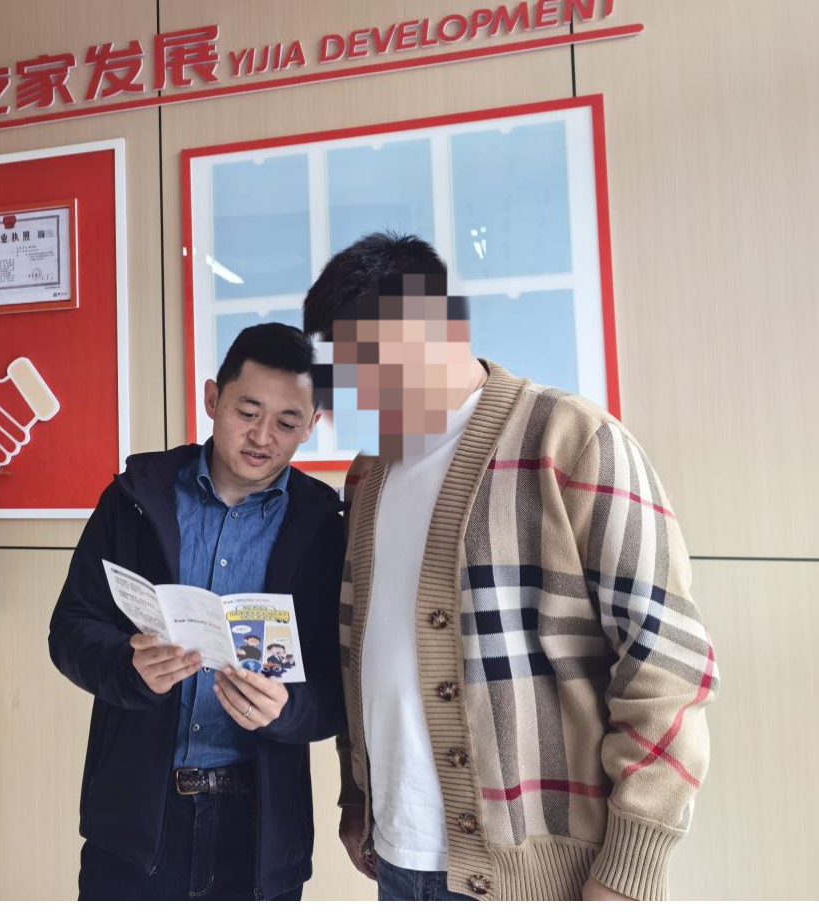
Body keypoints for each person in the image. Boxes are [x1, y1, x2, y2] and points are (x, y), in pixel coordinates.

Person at [302, 232, 719, 902]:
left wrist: (631, 865)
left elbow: (666, 662)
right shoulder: (370, 473)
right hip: (400, 858)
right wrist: (359, 796)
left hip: (546, 874)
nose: (354, 387)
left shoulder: (570, 439)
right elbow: (362, 650)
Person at [49, 322, 347, 900]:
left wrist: (286, 710)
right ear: (213, 399)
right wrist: (127, 666)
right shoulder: (137, 498)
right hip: (136, 821)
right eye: (247, 412)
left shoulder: (322, 527)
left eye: (287, 423)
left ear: (311, 426)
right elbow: (69, 629)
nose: (262, 437)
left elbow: (343, 685)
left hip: (261, 834)